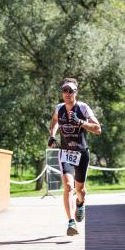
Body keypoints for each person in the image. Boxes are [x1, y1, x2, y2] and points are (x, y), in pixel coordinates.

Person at [48, 78, 101, 236]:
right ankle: (71, 222)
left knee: (80, 190)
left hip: (81, 153)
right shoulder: (59, 108)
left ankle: (80, 203)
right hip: (65, 153)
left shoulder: (83, 108)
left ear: (76, 92)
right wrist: (52, 135)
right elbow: (54, 122)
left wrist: (81, 123)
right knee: (69, 187)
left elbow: (98, 129)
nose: (67, 93)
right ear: (62, 92)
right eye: (65, 90)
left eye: (71, 90)